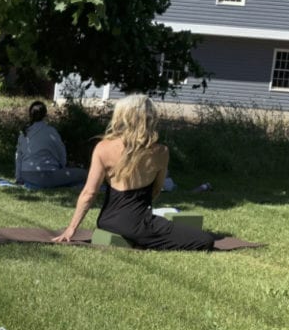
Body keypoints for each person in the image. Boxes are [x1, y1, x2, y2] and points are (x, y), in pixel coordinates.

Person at [53, 94, 214, 250]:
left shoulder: (103, 147)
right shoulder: (161, 152)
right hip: (138, 224)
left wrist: (71, 229)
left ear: (122, 117)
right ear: (150, 119)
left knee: (157, 227)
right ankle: (146, 240)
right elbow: (156, 190)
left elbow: (89, 193)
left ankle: (143, 238)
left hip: (107, 220)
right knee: (205, 240)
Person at [15, 101, 86, 189]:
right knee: (84, 174)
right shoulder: (51, 131)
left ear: (30, 114)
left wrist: (18, 178)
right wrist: (62, 167)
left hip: (26, 174)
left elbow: (18, 157)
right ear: (45, 115)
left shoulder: (24, 133)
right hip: (47, 176)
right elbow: (61, 152)